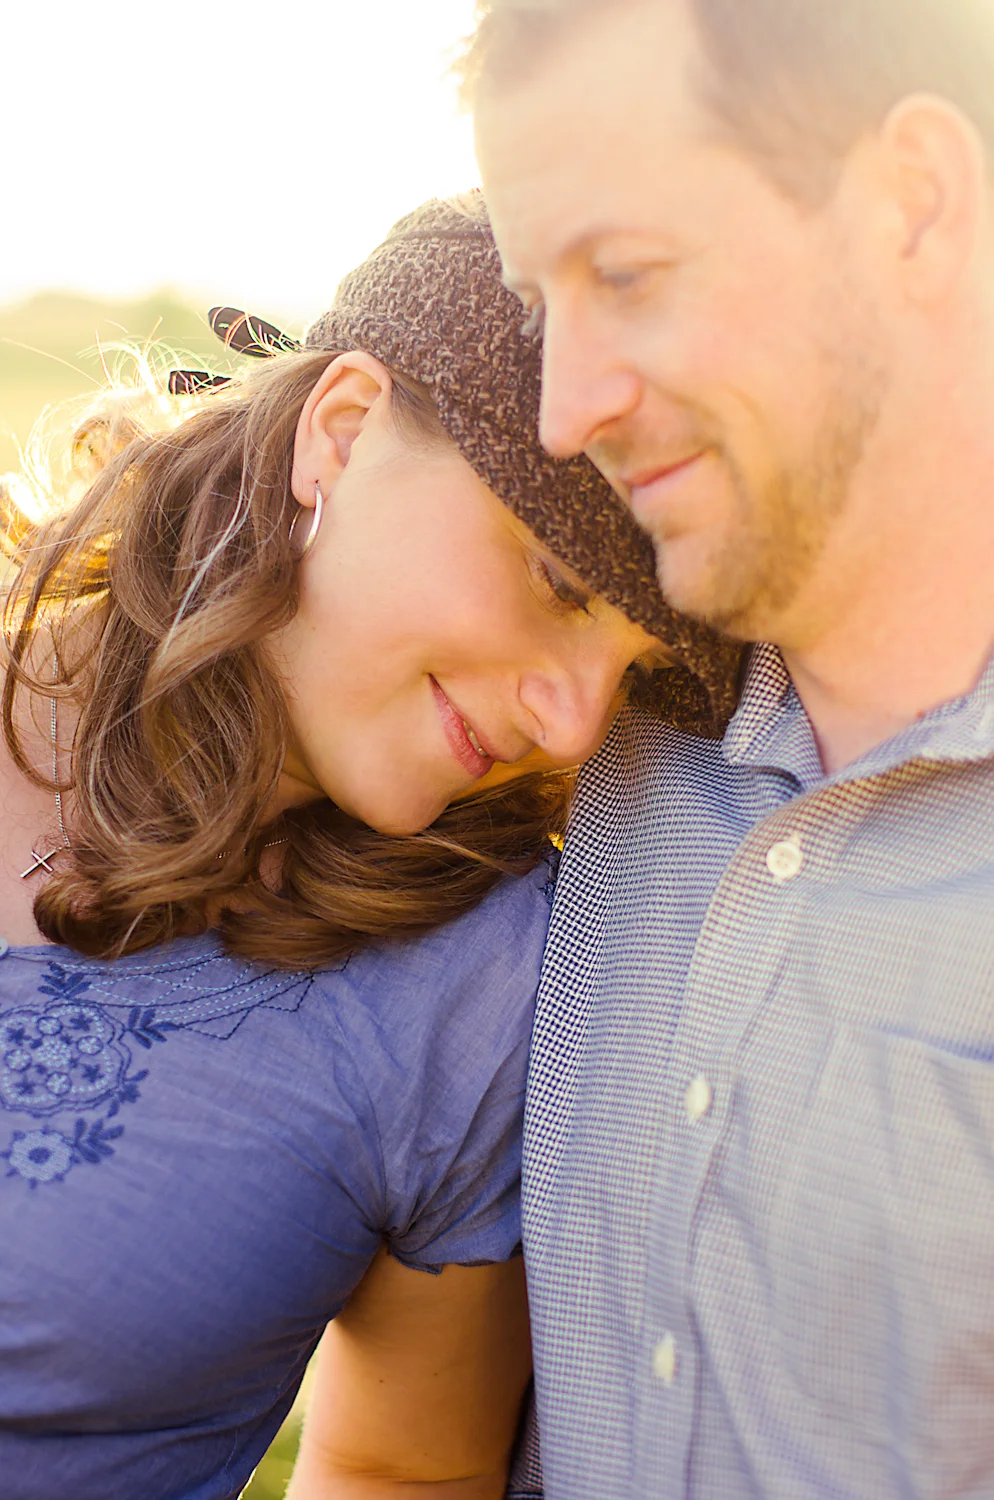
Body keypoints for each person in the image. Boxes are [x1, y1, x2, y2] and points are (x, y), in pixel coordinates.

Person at [0, 194, 734, 1500]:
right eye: (559, 585)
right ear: (339, 432)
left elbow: (397, 1467)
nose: (569, 720)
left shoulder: (473, 983)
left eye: (632, 672)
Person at [465, 2, 994, 1496]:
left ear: (916, 202)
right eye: (536, 309)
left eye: (626, 276)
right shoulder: (586, 742)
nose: (561, 414)